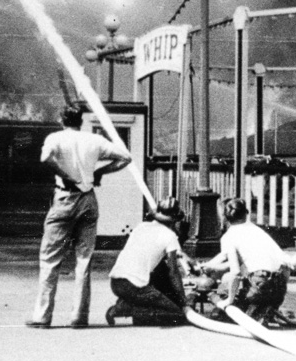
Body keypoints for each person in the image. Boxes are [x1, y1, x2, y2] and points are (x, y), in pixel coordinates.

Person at [26, 105, 132, 328]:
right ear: (81, 121)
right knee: (84, 259)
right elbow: (125, 157)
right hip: (88, 199)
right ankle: (79, 316)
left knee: (50, 259)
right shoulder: (94, 140)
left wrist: (65, 175)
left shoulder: (55, 138)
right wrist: (98, 172)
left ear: (61, 119)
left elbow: (45, 158)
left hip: (64, 197)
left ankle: (42, 316)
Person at [202, 198, 290, 323]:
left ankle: (254, 309)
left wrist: (229, 300)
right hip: (280, 286)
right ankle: (267, 308)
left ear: (224, 217)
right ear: (246, 213)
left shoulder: (229, 236)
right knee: (257, 291)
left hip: (260, 284)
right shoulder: (257, 230)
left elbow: (235, 272)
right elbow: (224, 255)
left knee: (226, 288)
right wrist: (209, 264)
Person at [106, 197, 189, 327]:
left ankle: (129, 304)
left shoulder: (141, 227)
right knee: (177, 315)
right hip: (134, 286)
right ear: (174, 221)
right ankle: (126, 308)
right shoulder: (170, 236)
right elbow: (173, 272)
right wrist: (183, 300)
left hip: (116, 283)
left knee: (159, 273)